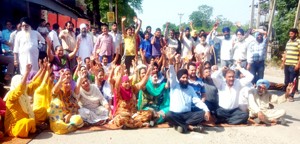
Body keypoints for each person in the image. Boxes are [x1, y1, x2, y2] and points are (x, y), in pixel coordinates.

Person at [165, 53, 211, 134]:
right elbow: (172, 74)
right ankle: (190, 127)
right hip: (176, 114)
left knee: (202, 114)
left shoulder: (190, 88)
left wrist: (206, 110)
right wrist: (171, 61)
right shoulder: (174, 85)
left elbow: (197, 101)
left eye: (186, 77)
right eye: (183, 77)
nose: (185, 79)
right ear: (179, 79)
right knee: (168, 115)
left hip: (187, 114)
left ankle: (179, 125)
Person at [4, 64, 45, 137]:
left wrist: (43, 69)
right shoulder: (11, 96)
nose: (25, 83)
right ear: (16, 83)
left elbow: (36, 83)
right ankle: (33, 128)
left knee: (41, 111)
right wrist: (26, 73)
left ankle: (32, 127)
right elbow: (19, 89)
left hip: (27, 119)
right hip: (14, 127)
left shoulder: (24, 92)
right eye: (23, 81)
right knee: (27, 122)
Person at [110, 64, 152, 128]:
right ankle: (139, 124)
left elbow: (141, 83)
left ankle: (132, 124)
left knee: (149, 113)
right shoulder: (119, 91)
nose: (127, 84)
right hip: (123, 114)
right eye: (125, 82)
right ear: (122, 83)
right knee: (122, 118)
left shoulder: (132, 88)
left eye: (128, 82)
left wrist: (148, 73)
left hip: (133, 114)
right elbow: (117, 84)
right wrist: (121, 74)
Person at [48, 70, 83, 134]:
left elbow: (75, 107)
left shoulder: (71, 94)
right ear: (61, 85)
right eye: (66, 83)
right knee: (60, 126)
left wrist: (70, 114)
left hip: (68, 117)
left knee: (78, 119)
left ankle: (68, 126)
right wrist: (60, 80)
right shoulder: (59, 93)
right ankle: (68, 126)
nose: (68, 85)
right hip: (58, 119)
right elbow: (54, 91)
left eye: (69, 83)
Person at [282, 28, 300, 102]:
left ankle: (291, 95)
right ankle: (286, 93)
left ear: (296, 34)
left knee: (292, 81)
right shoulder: (288, 42)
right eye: (290, 34)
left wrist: (298, 64)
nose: (290, 35)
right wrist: (283, 62)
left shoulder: (298, 41)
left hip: (294, 64)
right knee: (286, 81)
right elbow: (286, 52)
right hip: (287, 64)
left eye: (292, 34)